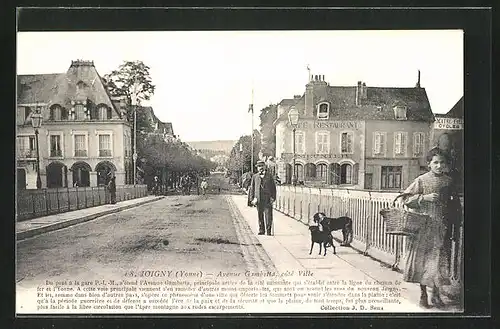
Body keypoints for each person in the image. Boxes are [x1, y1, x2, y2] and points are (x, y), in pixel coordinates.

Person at [400, 147, 462, 309]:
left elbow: (454, 204)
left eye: (442, 163)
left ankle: (435, 294)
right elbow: (405, 199)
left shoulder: (448, 181)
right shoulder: (422, 180)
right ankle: (423, 294)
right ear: (429, 164)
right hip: (424, 228)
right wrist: (423, 198)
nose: (439, 166)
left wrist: (454, 223)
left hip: (441, 228)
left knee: (438, 262)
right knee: (424, 262)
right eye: (435, 162)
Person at [248, 160, 277, 236]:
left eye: (262, 166)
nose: (260, 168)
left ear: (264, 167)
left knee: (268, 215)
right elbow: (252, 188)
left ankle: (268, 231)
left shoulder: (269, 176)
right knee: (260, 215)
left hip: (267, 199)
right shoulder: (255, 177)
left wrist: (273, 198)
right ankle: (261, 230)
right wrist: (252, 199)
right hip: (258, 199)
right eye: (259, 166)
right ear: (257, 168)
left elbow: (273, 188)